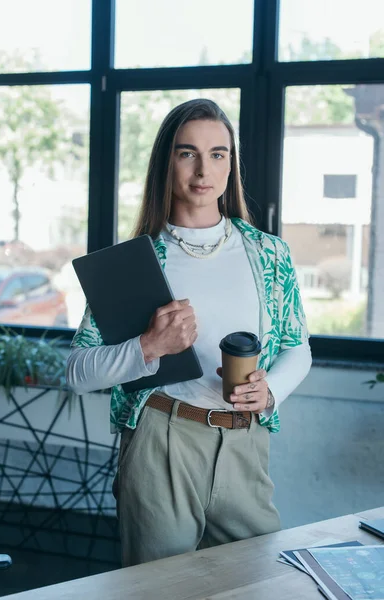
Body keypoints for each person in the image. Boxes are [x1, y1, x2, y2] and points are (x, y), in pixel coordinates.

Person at [66, 98, 312, 567]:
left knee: (260, 581)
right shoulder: (134, 262)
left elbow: (298, 349)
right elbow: (77, 371)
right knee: (160, 590)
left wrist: (271, 391)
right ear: (167, 161)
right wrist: (149, 346)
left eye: (218, 153)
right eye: (187, 153)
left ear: (231, 164)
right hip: (163, 440)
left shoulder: (269, 254)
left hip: (245, 441)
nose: (203, 168)